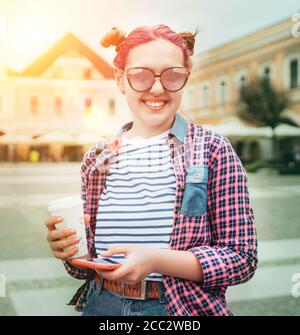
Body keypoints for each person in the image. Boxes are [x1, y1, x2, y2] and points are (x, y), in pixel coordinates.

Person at [45, 24, 258, 316]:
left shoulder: (213, 151)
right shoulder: (96, 161)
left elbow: (242, 258)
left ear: (186, 78)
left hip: (178, 309)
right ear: (120, 80)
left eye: (172, 75)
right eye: (141, 75)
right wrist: (70, 251)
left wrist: (158, 261)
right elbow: (85, 267)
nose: (157, 87)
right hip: (101, 304)